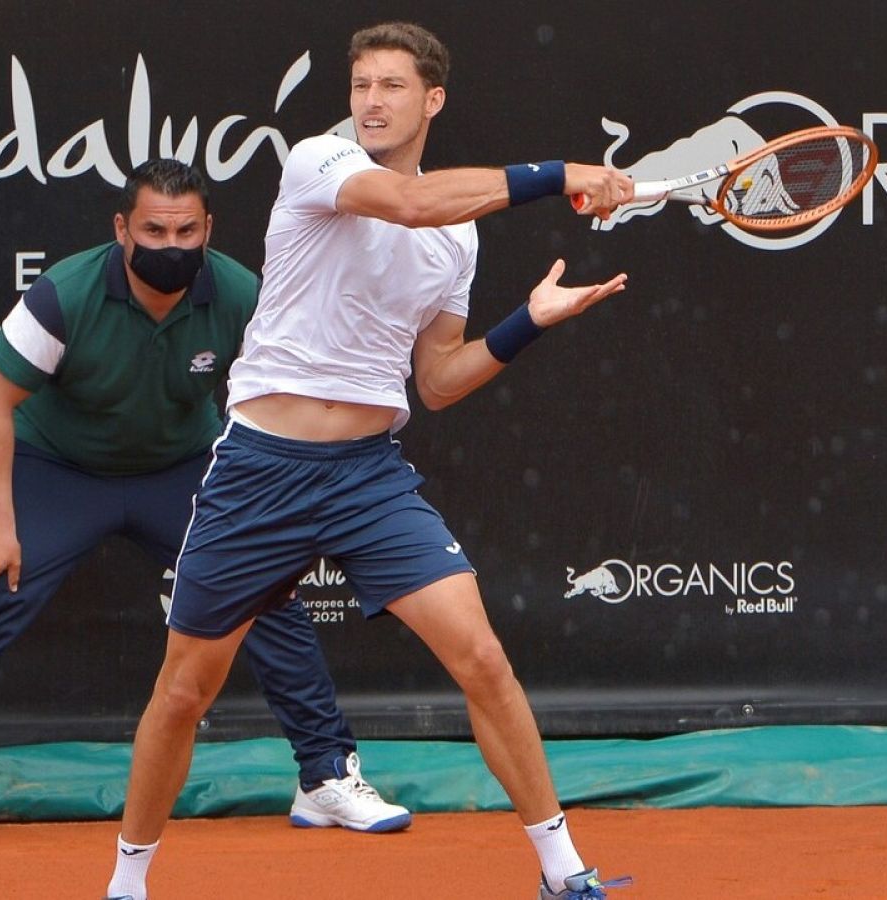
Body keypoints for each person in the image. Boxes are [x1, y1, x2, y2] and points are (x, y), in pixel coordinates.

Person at [105, 22, 637, 900]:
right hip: (260, 469)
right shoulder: (320, 162)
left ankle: (563, 872)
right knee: (183, 693)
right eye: (362, 87)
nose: (372, 103)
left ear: (432, 100)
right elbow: (411, 202)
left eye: (392, 87)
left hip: (366, 477)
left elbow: (436, 381)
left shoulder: (458, 240)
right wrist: (560, 175)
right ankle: (127, 883)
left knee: (482, 658)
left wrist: (527, 324)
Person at [0, 159, 411, 847]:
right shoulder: (63, 294)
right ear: (122, 229)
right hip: (56, 468)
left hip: (183, 470)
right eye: (154, 229)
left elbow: (286, 396)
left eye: (186, 230)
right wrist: (2, 524)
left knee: (270, 594)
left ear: (209, 228)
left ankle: (325, 775)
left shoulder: (242, 293)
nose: (171, 245)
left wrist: (284, 504)